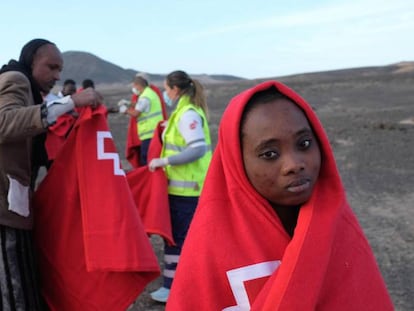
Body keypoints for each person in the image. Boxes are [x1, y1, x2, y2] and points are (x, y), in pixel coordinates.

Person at [166, 81, 394, 310]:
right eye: (270, 154)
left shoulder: (341, 229)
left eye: (304, 143)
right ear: (237, 161)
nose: (294, 164)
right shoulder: (209, 242)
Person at [0, 38, 101, 310]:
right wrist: (71, 102)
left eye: (60, 69)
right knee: (15, 290)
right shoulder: (16, 80)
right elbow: (3, 122)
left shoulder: (29, 87)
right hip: (4, 210)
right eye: (51, 67)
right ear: (31, 61)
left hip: (13, 206)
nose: (57, 76)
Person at [147, 70, 212, 302]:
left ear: (175, 90)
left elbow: (197, 149)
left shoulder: (187, 115)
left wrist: (165, 161)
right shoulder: (182, 114)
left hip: (187, 190)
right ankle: (181, 284)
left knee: (178, 239)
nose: (165, 94)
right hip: (184, 189)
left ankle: (173, 287)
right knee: (182, 238)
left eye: (166, 89)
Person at [119, 74, 166, 165]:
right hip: (154, 132)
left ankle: (149, 178)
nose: (133, 88)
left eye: (134, 85)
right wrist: (128, 103)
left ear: (137, 85)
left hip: (149, 134)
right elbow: (140, 105)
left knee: (146, 159)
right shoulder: (150, 93)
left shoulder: (145, 97)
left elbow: (136, 113)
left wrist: (125, 110)